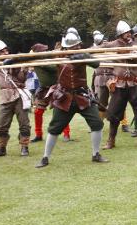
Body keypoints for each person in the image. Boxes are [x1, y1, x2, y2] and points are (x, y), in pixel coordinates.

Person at [36, 29, 108, 167]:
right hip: (64, 98)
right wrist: (15, 59)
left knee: (97, 124)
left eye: (78, 46)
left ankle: (96, 154)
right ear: (66, 47)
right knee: (54, 128)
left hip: (82, 96)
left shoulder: (83, 55)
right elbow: (38, 59)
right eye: (74, 47)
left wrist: (83, 56)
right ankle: (45, 157)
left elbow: (96, 63)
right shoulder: (58, 56)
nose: (77, 48)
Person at [102, 21, 137, 149]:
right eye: (125, 33)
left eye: (129, 33)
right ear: (120, 34)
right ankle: (111, 140)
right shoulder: (113, 45)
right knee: (114, 113)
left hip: (135, 83)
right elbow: (98, 48)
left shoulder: (135, 45)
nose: (128, 35)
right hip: (119, 84)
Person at [0, 39, 32, 158]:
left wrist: (21, 66)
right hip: (5, 97)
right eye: (2, 51)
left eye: (7, 50)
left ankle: (24, 147)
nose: (6, 53)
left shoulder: (14, 62)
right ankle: (2, 149)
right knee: (2, 125)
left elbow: (22, 79)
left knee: (24, 123)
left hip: (18, 95)